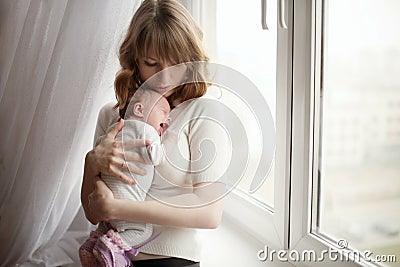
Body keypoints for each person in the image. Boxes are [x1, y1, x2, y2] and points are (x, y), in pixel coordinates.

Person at [81, 0, 231, 266]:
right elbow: (94, 214)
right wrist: (91, 164)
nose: (163, 78)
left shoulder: (202, 113)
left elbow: (210, 213)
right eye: (152, 63)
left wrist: (121, 209)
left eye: (175, 65)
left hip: (173, 260)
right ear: (135, 59)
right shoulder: (111, 115)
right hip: (109, 259)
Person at [79, 89, 170, 267]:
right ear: (139, 109)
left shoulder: (117, 126)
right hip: (129, 201)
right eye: (164, 113)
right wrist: (168, 142)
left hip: (107, 200)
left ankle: (95, 242)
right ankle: (110, 247)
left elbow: (99, 148)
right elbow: (156, 157)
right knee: (142, 230)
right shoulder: (148, 131)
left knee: (107, 226)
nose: (166, 121)